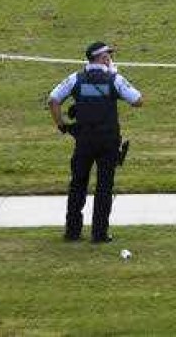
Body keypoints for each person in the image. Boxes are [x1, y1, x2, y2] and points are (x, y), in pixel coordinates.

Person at [47, 41, 144, 243]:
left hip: (83, 140)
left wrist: (62, 125)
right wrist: (116, 74)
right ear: (103, 58)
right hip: (108, 141)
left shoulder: (76, 79)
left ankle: (72, 231)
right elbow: (137, 101)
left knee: (77, 185)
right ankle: (99, 234)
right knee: (104, 187)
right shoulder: (114, 79)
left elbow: (53, 100)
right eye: (108, 56)